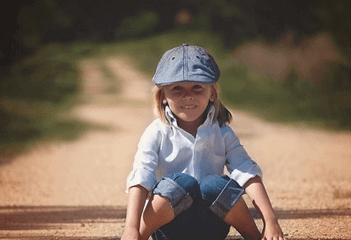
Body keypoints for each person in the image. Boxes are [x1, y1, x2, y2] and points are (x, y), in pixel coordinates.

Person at [122, 43, 285, 240]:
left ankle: (256, 237)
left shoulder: (223, 132)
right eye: (177, 88)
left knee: (214, 185)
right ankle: (138, 237)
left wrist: (271, 221)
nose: (188, 95)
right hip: (168, 230)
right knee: (182, 183)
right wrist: (131, 228)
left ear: (212, 93)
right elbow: (141, 177)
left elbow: (247, 173)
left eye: (197, 87)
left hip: (211, 229)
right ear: (163, 95)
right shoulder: (155, 132)